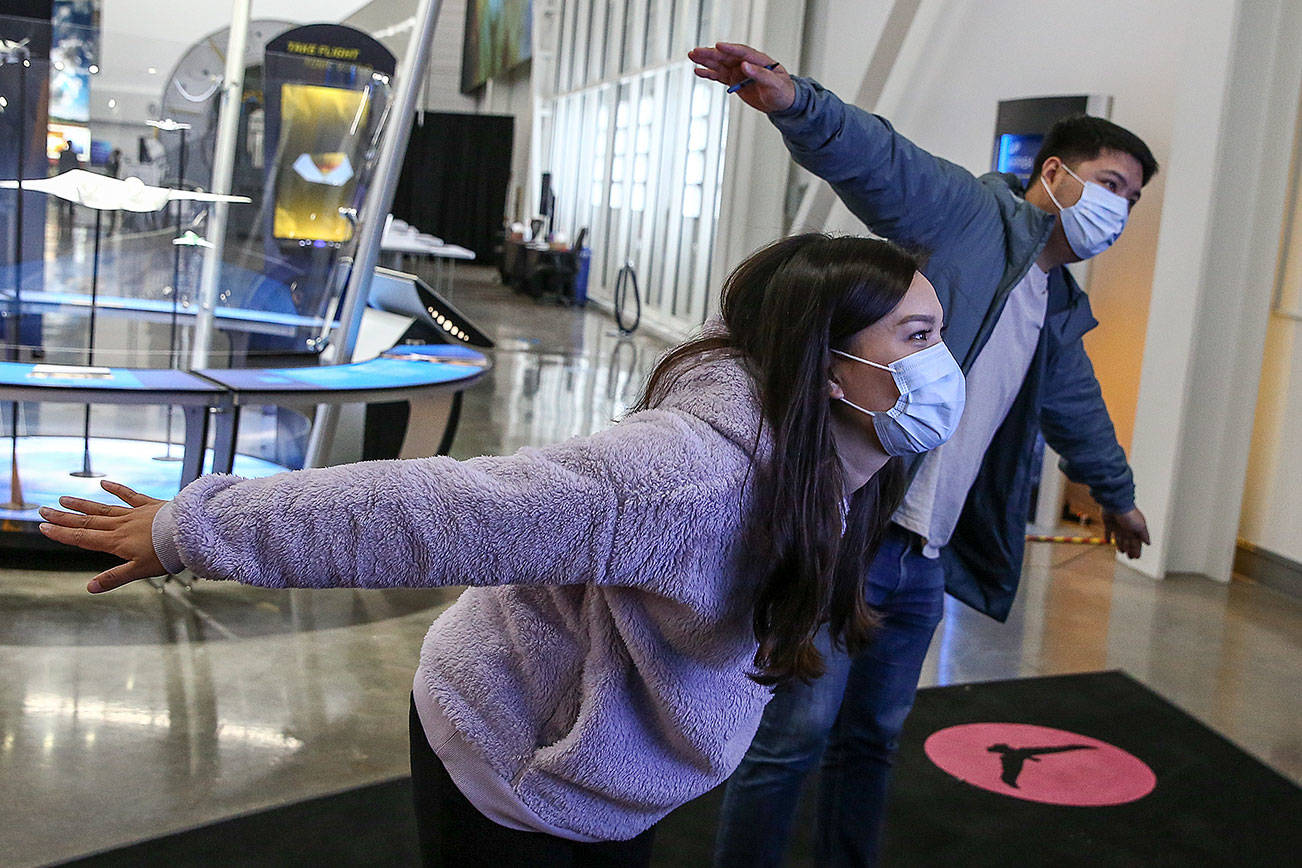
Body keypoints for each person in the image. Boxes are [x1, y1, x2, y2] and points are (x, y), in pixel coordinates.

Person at [38, 233, 966, 867]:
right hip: (515, 752)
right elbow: (436, 510)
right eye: (916, 338)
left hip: (613, 774)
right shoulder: (679, 477)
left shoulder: (845, 454)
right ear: (823, 359)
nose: (939, 365)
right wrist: (191, 527)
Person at [689, 42, 1156, 867]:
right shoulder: (971, 218)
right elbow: (886, 163)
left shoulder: (1057, 309)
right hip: (851, 531)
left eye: (1133, 199)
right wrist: (798, 102)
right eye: (1111, 186)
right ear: (1053, 175)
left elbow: (1075, 410)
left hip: (924, 557)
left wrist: (1115, 497)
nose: (1119, 211)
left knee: (872, 742)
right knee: (792, 738)